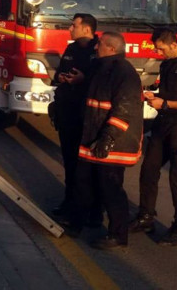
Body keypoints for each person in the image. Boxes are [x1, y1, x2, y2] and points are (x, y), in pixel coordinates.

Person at [129, 28, 177, 246]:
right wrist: (153, 97)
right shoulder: (166, 65)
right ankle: (146, 217)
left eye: (160, 47)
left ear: (174, 44)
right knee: (148, 170)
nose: (158, 51)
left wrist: (166, 104)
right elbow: (168, 93)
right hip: (163, 124)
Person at [68, 31, 143, 249]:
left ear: (111, 48)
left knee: (111, 189)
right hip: (92, 137)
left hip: (112, 143)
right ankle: (79, 223)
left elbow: (125, 109)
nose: (95, 47)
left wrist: (108, 138)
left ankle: (118, 235)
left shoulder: (123, 72)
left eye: (99, 44)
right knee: (83, 183)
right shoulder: (100, 67)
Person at [48, 13, 99, 218]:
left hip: (87, 117)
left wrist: (83, 80)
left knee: (88, 167)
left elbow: (102, 82)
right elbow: (58, 73)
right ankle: (69, 203)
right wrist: (61, 77)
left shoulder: (98, 50)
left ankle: (93, 211)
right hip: (67, 114)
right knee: (69, 162)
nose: (70, 29)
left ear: (86, 29)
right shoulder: (71, 48)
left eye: (74, 25)